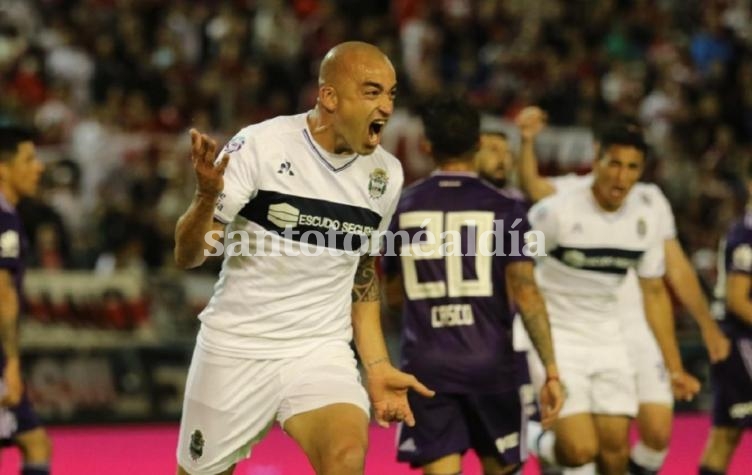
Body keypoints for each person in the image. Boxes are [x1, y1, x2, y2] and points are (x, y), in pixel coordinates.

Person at [173, 41, 435, 475]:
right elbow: (189, 256)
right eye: (372, 92)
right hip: (236, 347)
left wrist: (377, 364)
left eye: (391, 94)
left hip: (319, 350)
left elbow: (362, 273)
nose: (386, 107)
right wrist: (205, 198)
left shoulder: (385, 175)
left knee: (346, 458)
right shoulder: (260, 145)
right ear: (329, 97)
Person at [516, 107, 730, 475]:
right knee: (581, 450)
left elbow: (656, 292)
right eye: (614, 164)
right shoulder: (557, 210)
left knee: (614, 452)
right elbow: (519, 273)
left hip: (609, 337)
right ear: (596, 160)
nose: (621, 177)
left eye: (632, 167)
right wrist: (527, 143)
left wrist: (676, 366)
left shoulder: (645, 215)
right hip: (559, 337)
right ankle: (535, 437)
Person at [382, 96, 563, 475]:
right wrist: (550, 369)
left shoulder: (402, 209)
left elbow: (394, 296)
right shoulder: (505, 208)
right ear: (477, 144)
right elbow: (526, 293)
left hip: (425, 368)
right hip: (491, 366)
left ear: (426, 145)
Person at [0, 124, 52, 475]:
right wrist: (11, 363)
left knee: (34, 439)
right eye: (29, 159)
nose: (40, 167)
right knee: (34, 442)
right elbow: (2, 293)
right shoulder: (3, 219)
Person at [698, 167, 752, 475]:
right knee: (726, 434)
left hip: (737, 343)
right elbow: (738, 299)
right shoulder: (746, 234)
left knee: (726, 433)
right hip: (740, 343)